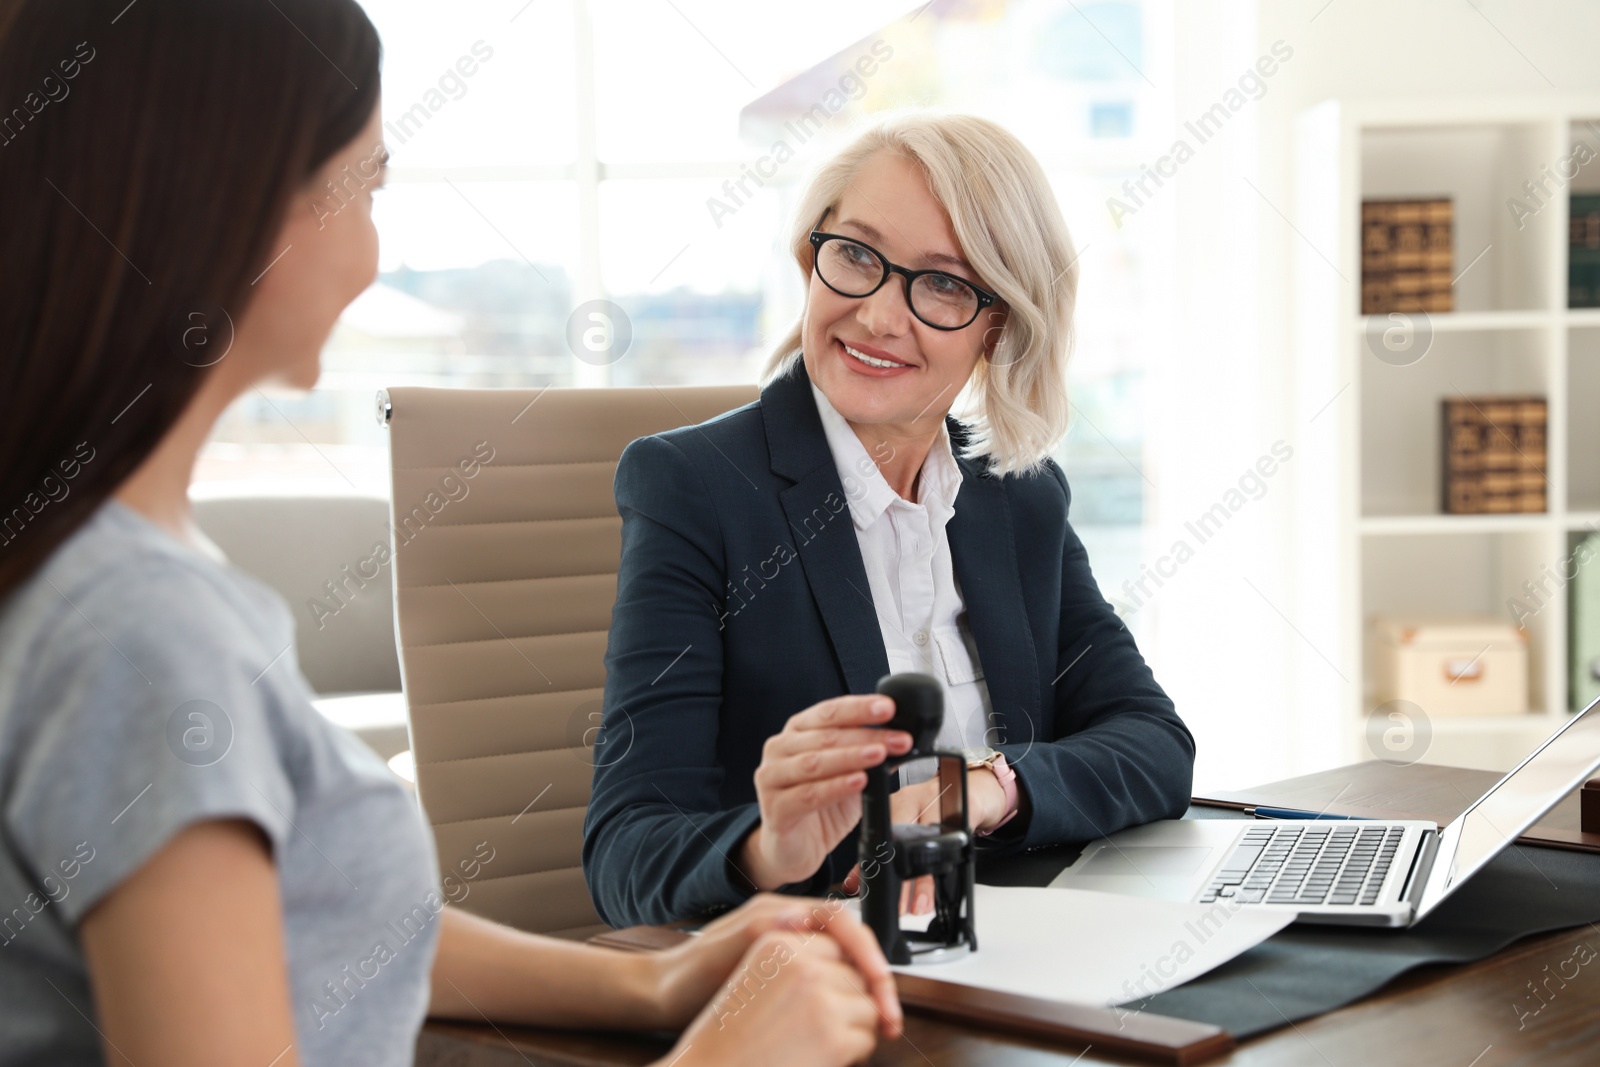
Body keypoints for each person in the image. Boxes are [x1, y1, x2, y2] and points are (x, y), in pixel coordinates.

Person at [0, 2, 900, 1065]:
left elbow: (320, 920)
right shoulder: (145, 634)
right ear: (236, 202)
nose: (376, 252)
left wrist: (653, 979)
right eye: (368, 186)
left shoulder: (89, 561)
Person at [584, 113, 1196, 929]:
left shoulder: (1018, 496)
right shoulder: (694, 489)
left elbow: (1153, 742)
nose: (877, 315)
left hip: (1016, 952)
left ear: (999, 324)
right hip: (808, 981)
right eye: (858, 256)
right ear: (812, 256)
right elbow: (627, 853)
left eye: (942, 283)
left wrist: (978, 790)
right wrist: (773, 847)